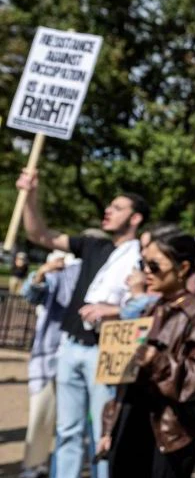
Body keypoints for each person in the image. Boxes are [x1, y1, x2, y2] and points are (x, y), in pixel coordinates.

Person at [16, 168, 148, 478]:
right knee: (68, 430)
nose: (108, 211)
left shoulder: (142, 256)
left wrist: (111, 310)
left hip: (108, 351)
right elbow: (40, 235)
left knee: (104, 435)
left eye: (117, 208)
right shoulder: (92, 246)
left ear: (135, 218)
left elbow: (152, 301)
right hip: (71, 348)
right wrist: (30, 196)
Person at [98, 230, 195, 478]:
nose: (146, 271)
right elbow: (125, 379)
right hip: (129, 426)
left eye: (154, 265)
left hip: (169, 435)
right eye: (143, 264)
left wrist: (158, 362)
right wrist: (109, 428)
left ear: (183, 268)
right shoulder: (152, 308)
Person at [20, 250, 81, 478]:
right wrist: (43, 273)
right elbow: (31, 294)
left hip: (74, 352)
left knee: (70, 419)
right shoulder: (52, 277)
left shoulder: (86, 275)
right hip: (48, 355)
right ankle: (34, 463)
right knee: (41, 411)